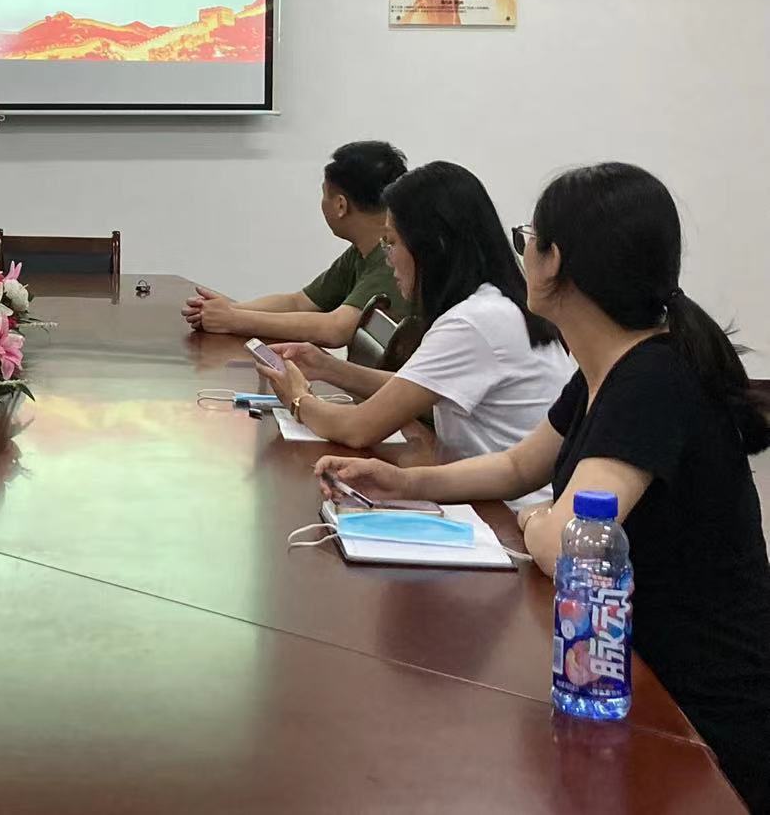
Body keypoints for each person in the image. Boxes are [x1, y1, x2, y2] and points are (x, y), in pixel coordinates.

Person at [314, 163, 770, 812]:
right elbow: (516, 467)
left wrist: (535, 521)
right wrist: (404, 480)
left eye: (528, 237)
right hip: (621, 668)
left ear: (558, 262)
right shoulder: (605, 368)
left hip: (695, 712)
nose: (521, 251)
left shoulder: (653, 379)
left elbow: (571, 543)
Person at [254, 161, 573, 475]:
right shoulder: (494, 305)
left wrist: (298, 399)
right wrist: (327, 367)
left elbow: (358, 429)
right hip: (488, 489)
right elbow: (415, 386)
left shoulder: (473, 322)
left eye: (391, 243)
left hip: (502, 504)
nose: (388, 259)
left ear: (433, 246)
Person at [184, 141, 412, 345]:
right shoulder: (362, 251)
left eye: (324, 194)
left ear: (341, 206)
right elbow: (300, 302)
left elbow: (335, 329)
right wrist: (226, 310)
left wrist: (234, 319)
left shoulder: (394, 258)